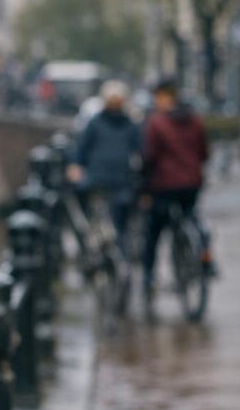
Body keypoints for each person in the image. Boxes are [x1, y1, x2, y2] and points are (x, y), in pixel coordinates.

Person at [139, 76, 213, 304]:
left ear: (162, 97)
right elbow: (204, 153)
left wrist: (143, 185)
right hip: (191, 184)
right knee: (193, 218)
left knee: (154, 231)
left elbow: (149, 157)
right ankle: (206, 257)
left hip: (165, 186)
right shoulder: (195, 120)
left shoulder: (157, 123)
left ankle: (149, 278)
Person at [66, 80, 141, 256]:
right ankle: (109, 246)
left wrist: (75, 165)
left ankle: (91, 245)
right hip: (115, 179)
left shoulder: (98, 123)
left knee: (114, 213)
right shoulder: (128, 125)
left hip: (105, 178)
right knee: (119, 215)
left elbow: (82, 148)